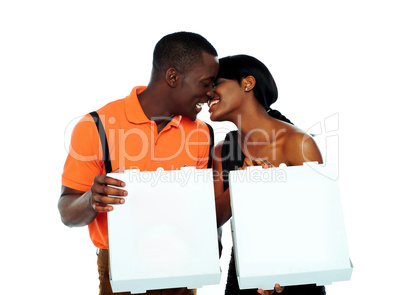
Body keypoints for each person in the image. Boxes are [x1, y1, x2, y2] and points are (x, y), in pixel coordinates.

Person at [58, 32, 219, 295]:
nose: (211, 94)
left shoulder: (202, 133)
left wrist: (214, 247)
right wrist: (91, 199)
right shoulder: (95, 126)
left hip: (184, 265)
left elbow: (204, 209)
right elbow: (67, 213)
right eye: (206, 83)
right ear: (173, 77)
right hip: (120, 269)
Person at [209, 55, 326, 295]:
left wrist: (281, 267)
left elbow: (320, 220)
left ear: (247, 83)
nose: (207, 94)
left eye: (215, 84)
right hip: (243, 271)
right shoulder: (222, 150)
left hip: (297, 272)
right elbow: (214, 218)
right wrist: (243, 184)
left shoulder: (297, 143)